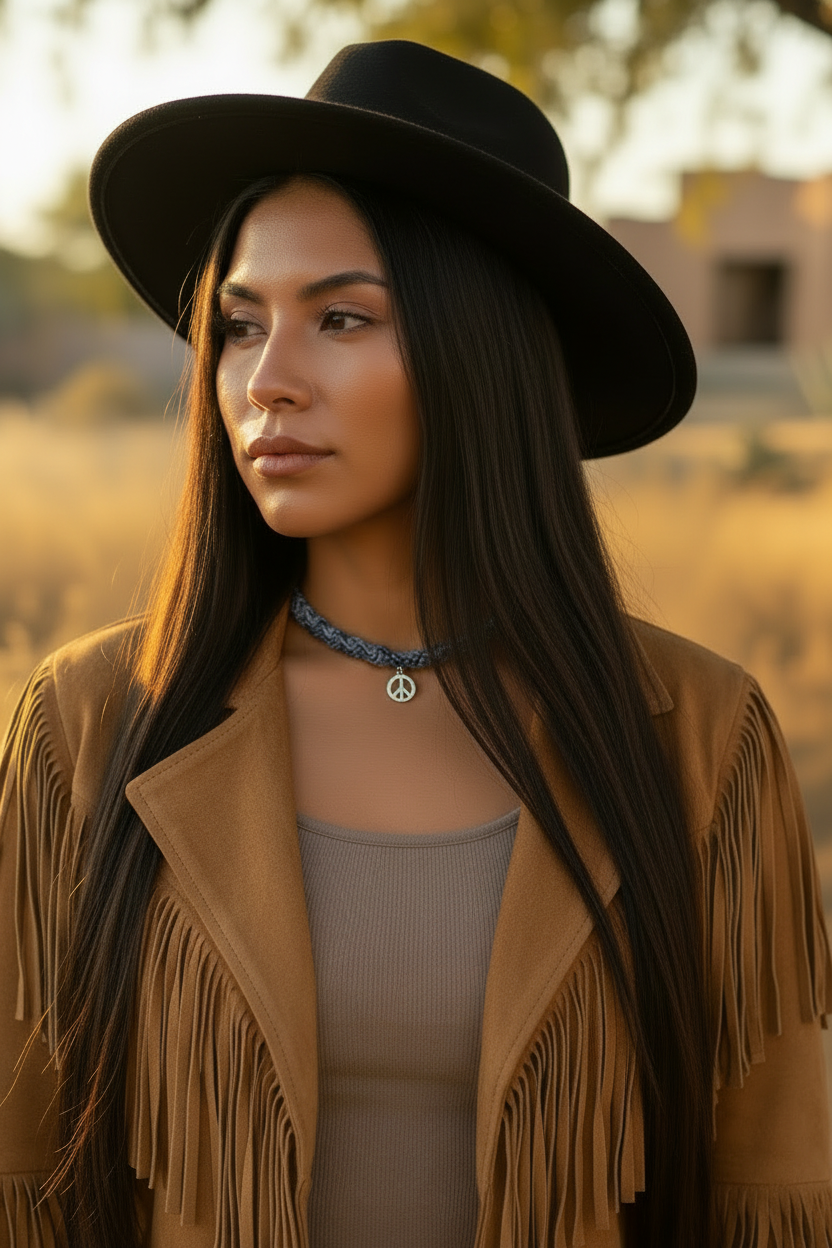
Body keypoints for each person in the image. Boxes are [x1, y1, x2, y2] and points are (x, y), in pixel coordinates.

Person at [0, 38, 830, 1248]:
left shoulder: (702, 735)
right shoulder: (90, 720)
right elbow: (21, 1174)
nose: (266, 381)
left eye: (341, 317)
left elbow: (775, 1191)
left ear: (480, 357)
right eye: (239, 324)